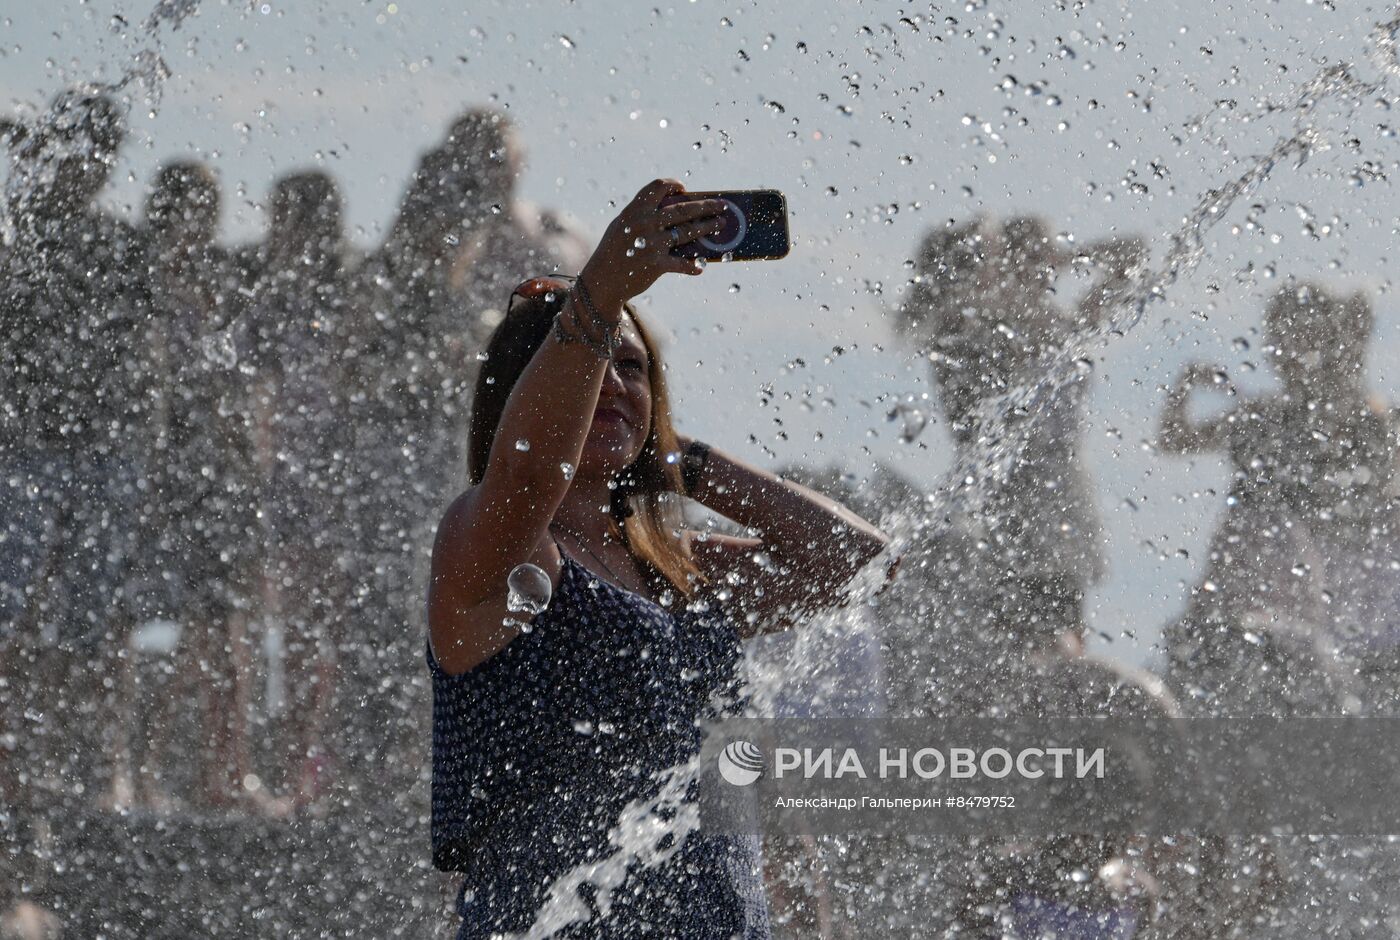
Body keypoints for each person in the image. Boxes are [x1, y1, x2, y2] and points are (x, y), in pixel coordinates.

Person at [427, 179, 892, 938]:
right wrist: (605, 284)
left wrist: (678, 458)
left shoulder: (675, 571)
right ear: (524, 394)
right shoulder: (500, 551)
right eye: (592, 363)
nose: (612, 381)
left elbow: (860, 564)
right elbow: (529, 471)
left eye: (634, 369)